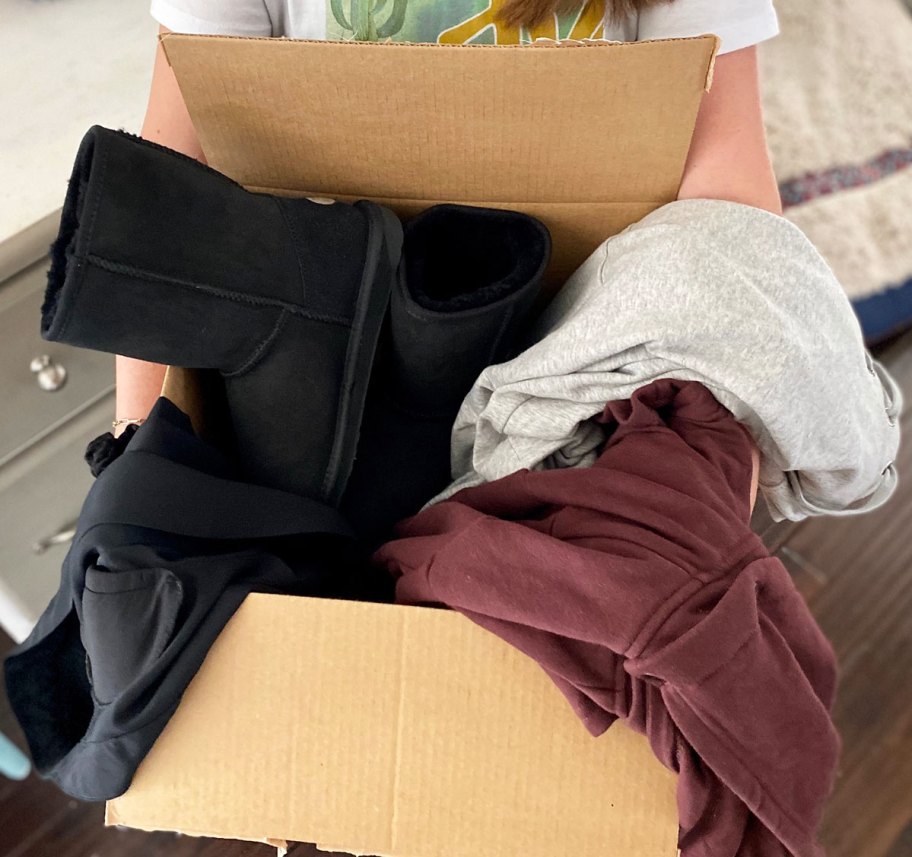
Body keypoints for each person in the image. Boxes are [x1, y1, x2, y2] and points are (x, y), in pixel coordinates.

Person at [118, 0, 781, 512]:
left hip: (582, 356)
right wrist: (136, 455)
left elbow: (723, 177)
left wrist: (723, 465)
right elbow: (176, 178)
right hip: (326, 372)